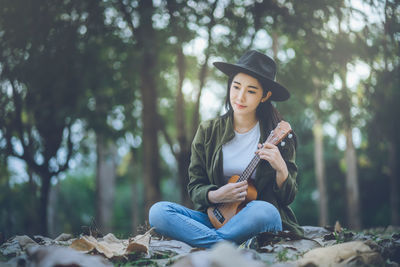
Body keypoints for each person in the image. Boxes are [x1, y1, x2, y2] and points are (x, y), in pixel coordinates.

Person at [149, 50, 302, 248]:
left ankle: (210, 241)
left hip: (257, 219)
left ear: (265, 96)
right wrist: (216, 195)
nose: (240, 96)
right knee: (158, 212)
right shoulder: (208, 131)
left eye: (251, 91)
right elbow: (195, 186)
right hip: (217, 219)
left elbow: (287, 198)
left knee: (266, 210)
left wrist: (281, 169)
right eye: (236, 87)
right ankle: (222, 242)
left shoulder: (278, 135)